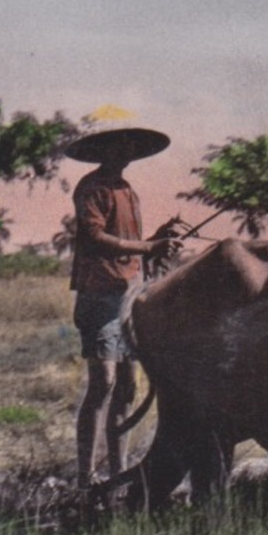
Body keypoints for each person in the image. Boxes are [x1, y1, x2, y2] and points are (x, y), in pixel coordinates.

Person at [64, 107, 178, 489]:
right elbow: (94, 238)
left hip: (130, 295)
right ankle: (84, 476)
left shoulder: (127, 190)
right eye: (118, 143)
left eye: (129, 143)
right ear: (104, 149)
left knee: (128, 387)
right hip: (100, 295)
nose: (125, 149)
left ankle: (117, 472)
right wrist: (148, 247)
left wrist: (157, 238)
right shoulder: (92, 188)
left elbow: (131, 242)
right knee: (104, 383)